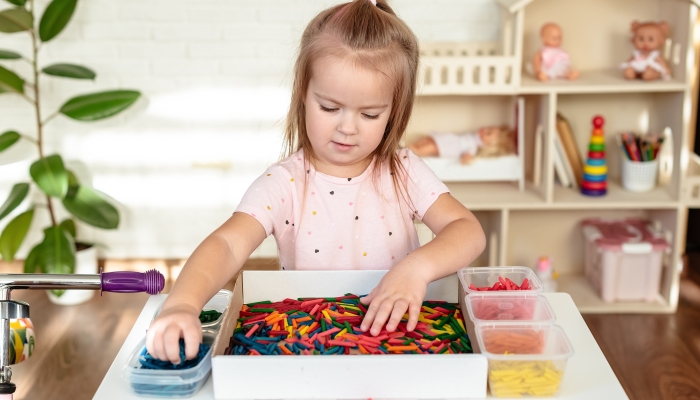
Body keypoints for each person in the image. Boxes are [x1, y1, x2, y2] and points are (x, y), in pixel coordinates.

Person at [146, 0, 486, 364]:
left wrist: (417, 269)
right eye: (329, 107)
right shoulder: (284, 183)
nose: (347, 127)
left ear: (394, 110)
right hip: (309, 350)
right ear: (303, 96)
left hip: (397, 344)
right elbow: (227, 245)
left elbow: (467, 230)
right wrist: (182, 303)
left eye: (370, 114)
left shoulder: (402, 170)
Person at [408, 126, 515, 164]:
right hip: (451, 140)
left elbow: (469, 154)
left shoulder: (473, 146)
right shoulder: (473, 138)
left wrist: (466, 158)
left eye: (488, 133)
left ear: (488, 146)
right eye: (489, 128)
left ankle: (415, 151)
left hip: (452, 147)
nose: (485, 129)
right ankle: (414, 146)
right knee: (428, 139)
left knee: (432, 147)